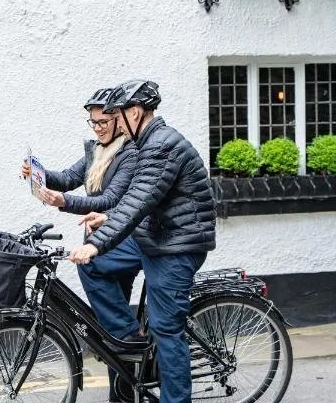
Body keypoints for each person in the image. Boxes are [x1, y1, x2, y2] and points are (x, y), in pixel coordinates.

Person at [69, 80, 216, 403]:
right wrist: (107, 220)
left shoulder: (162, 145)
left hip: (177, 246)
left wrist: (96, 242)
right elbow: (142, 200)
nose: (115, 124)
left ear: (135, 113)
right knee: (97, 266)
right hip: (158, 236)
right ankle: (127, 338)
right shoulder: (148, 143)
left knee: (166, 330)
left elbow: (137, 202)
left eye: (118, 116)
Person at [22, 87, 139, 403]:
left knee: (91, 267)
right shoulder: (95, 152)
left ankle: (131, 337)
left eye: (103, 122)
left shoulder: (129, 154)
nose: (98, 128)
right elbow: (65, 178)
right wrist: (38, 173)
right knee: (110, 331)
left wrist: (64, 203)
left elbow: (108, 200)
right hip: (105, 240)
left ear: (118, 120)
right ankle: (123, 393)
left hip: (127, 240)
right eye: (93, 123)